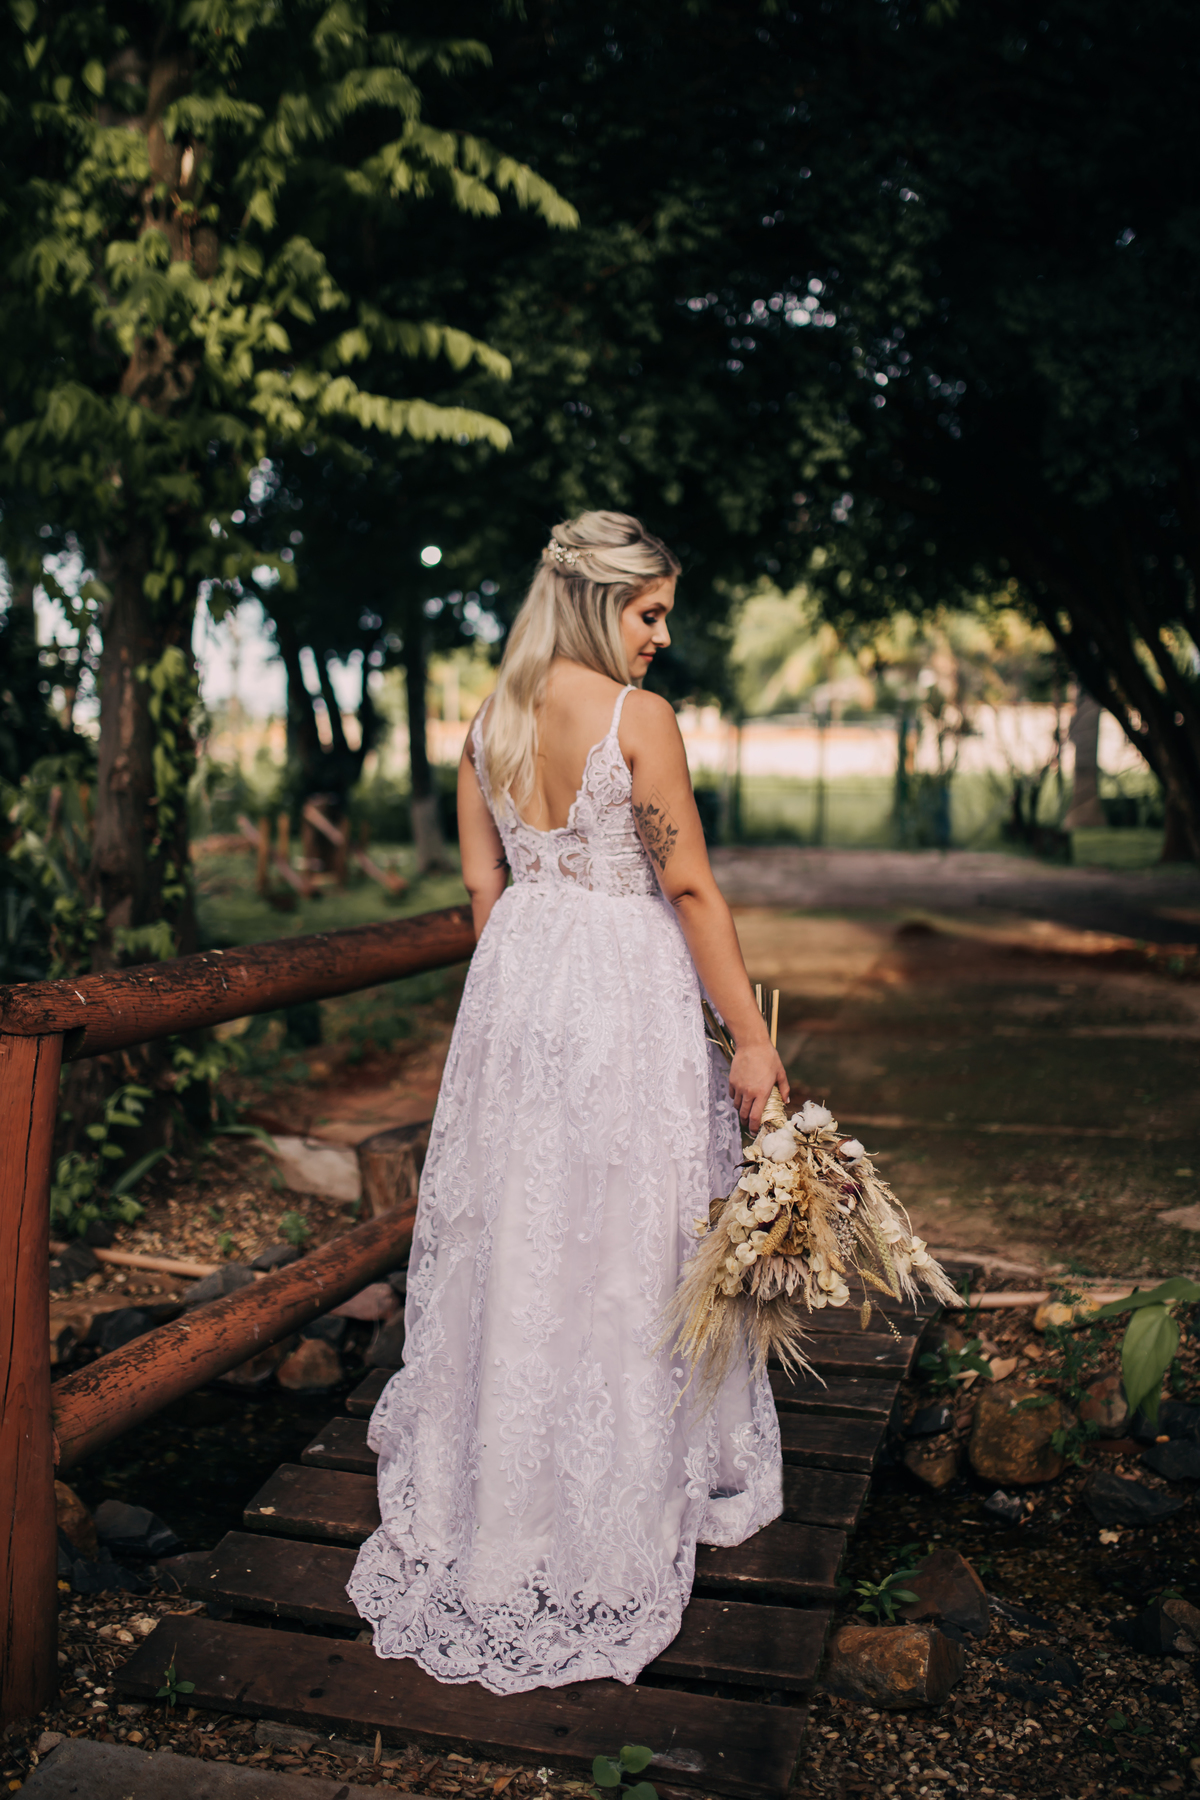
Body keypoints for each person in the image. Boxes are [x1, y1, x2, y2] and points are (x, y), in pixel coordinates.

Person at [347, 511, 788, 1694]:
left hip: (519, 1003)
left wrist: (514, 1024)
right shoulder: (639, 722)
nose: (661, 638)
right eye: (649, 613)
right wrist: (749, 1038)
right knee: (624, 1238)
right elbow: (685, 881)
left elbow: (486, 893)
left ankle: (508, 1494)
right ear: (600, 604)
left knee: (524, 1239)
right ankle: (603, 1498)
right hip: (623, 996)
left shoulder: (487, 725)